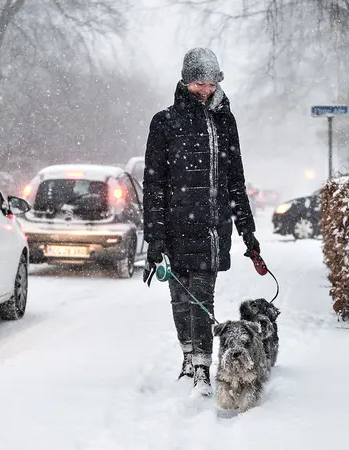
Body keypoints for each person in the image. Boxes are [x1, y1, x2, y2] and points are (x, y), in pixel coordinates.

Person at [142, 47, 260, 396]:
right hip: (176, 230)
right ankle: (187, 357)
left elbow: (235, 179)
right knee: (180, 299)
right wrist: (155, 238)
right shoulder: (164, 122)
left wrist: (248, 233)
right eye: (198, 83)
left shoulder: (225, 121)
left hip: (211, 229)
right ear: (185, 81)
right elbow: (154, 183)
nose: (205, 90)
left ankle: (203, 368)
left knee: (201, 299)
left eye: (210, 83)